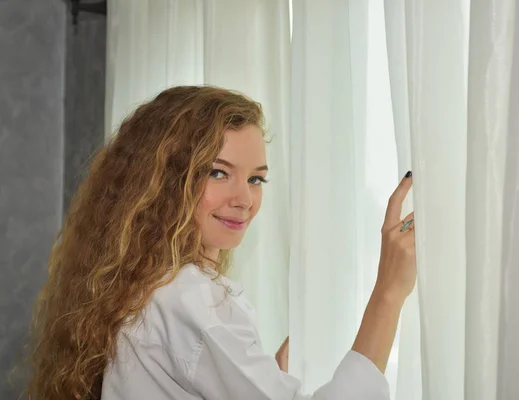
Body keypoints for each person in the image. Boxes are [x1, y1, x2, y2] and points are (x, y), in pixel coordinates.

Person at [26, 86, 416, 400]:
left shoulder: (141, 284)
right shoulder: (189, 297)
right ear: (161, 182)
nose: (244, 199)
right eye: (218, 172)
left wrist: (258, 377)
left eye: (255, 179)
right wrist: (388, 293)